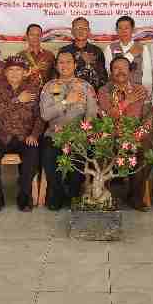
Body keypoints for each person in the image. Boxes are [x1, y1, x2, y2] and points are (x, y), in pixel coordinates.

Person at [0, 56, 44, 213]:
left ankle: (24, 195)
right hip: (1, 136)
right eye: (11, 70)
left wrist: (34, 135)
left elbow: (40, 116)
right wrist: (17, 99)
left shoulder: (33, 89)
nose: (15, 73)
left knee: (32, 153)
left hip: (25, 136)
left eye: (18, 70)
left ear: (25, 72)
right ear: (5, 72)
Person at [40, 51, 98, 210]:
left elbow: (92, 114)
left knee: (79, 158)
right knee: (49, 155)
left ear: (74, 65)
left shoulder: (85, 86)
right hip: (55, 134)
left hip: (79, 135)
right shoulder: (50, 86)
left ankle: (73, 192)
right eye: (61, 62)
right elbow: (45, 115)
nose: (64, 65)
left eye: (68, 62)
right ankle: (56, 193)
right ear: (56, 66)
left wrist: (84, 134)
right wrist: (67, 101)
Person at [97, 56, 153, 211]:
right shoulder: (104, 91)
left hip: (136, 135)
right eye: (116, 68)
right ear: (111, 71)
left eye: (123, 67)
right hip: (112, 134)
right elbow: (107, 116)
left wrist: (138, 135)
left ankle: (135, 197)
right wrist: (127, 101)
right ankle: (107, 195)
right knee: (102, 150)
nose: (120, 71)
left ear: (130, 71)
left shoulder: (140, 89)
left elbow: (148, 117)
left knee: (146, 151)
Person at [58, 17, 108, 91]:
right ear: (72, 31)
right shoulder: (64, 51)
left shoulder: (97, 51)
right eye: (77, 28)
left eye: (84, 28)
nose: (81, 31)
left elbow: (103, 77)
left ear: (89, 31)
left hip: (92, 93)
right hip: (69, 92)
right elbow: (58, 76)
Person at [104, 15, 152, 91]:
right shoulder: (109, 48)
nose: (123, 31)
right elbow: (109, 73)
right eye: (120, 28)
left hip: (137, 89)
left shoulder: (142, 47)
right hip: (116, 90)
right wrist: (131, 55)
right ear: (116, 30)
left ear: (133, 30)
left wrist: (147, 91)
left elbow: (147, 73)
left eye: (126, 28)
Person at [18, 23, 55, 90]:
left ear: (42, 36)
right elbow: (16, 78)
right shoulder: (20, 56)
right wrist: (29, 72)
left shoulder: (49, 55)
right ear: (26, 36)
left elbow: (54, 77)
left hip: (46, 92)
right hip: (27, 93)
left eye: (38, 35)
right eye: (32, 35)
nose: (35, 38)